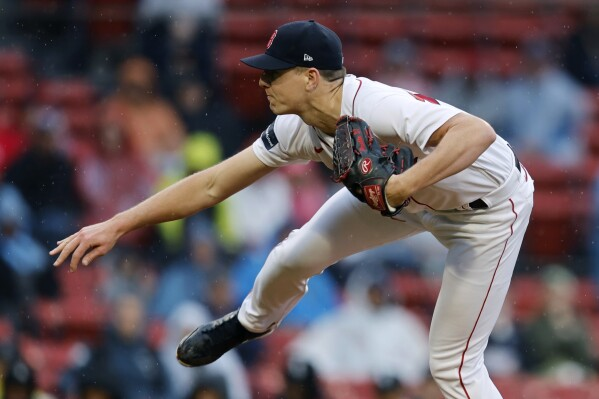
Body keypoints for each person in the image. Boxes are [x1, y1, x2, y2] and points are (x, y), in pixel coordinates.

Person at [51, 20, 535, 399]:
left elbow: (477, 133)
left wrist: (400, 186)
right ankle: (248, 323)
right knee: (290, 256)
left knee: (451, 366)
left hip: (487, 212)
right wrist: (119, 223)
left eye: (272, 72)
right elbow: (214, 184)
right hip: (404, 199)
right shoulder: (293, 126)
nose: (262, 82)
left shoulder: (376, 104)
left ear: (309, 77)